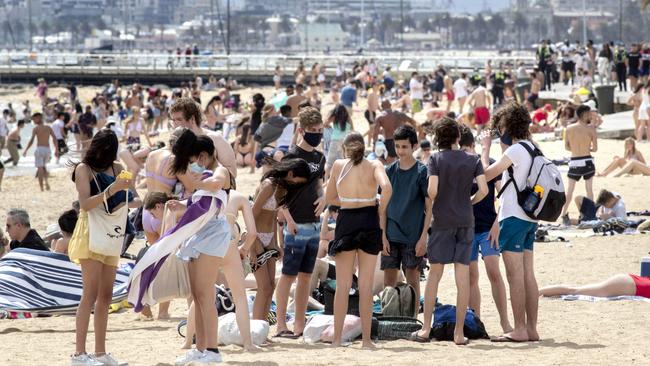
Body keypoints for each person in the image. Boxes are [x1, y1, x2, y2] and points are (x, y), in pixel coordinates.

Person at [412, 118, 487, 345]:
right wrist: (469, 202)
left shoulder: (435, 159)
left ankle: (425, 329)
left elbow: (432, 190)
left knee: (435, 274)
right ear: (457, 137)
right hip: (466, 219)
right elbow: (483, 189)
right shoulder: (473, 159)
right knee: (462, 276)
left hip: (442, 220)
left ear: (437, 138)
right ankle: (459, 333)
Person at [68, 129, 140, 366]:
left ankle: (100, 352)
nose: (110, 156)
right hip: (90, 232)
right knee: (89, 294)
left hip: (111, 233)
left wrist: (139, 194)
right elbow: (85, 204)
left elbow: (133, 198)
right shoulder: (83, 169)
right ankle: (79, 354)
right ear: (98, 148)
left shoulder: (117, 168)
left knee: (106, 296)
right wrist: (113, 189)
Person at [167, 129, 233, 365]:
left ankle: (213, 351)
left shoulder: (219, 170)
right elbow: (200, 200)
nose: (195, 163)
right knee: (197, 295)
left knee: (205, 295)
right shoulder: (202, 172)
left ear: (205, 155)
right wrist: (181, 205)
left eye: (197, 159)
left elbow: (215, 184)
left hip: (213, 235)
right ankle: (201, 347)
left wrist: (197, 180)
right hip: (199, 234)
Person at [481, 101, 542, 343]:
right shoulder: (534, 147)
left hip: (514, 217)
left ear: (509, 125)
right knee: (528, 273)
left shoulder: (515, 150)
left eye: (501, 126)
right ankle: (531, 328)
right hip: (530, 217)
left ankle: (518, 328)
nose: (500, 130)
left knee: (514, 275)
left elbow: (486, 175)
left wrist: (485, 148)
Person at [325, 131, 391, 348]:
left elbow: (330, 198)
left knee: (343, 285)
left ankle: (336, 340)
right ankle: (366, 341)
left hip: (347, 220)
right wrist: (380, 208)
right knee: (366, 285)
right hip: (369, 218)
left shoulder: (338, 165)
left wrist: (345, 202)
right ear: (364, 146)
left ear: (345, 149)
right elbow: (388, 188)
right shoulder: (374, 165)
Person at [274, 107, 325, 339]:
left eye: (319, 130)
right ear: (301, 130)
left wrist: (324, 198)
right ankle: (281, 323)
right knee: (287, 275)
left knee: (306, 277)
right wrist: (289, 221)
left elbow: (319, 183)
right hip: (296, 224)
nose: (317, 134)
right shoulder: (291, 156)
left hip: (315, 223)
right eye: (312, 130)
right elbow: (279, 194)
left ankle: (299, 323)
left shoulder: (319, 157)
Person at [458, 126, 512, 333]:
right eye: (460, 150)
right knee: (472, 277)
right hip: (467, 229)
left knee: (493, 272)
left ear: (473, 146)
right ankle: (476, 322)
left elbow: (505, 197)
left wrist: (497, 223)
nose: (464, 154)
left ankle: (505, 322)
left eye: (466, 149)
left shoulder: (487, 165)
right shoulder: (459, 169)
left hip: (488, 228)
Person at [250, 159, 311, 321]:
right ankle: (255, 329)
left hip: (269, 238)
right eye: (299, 181)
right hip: (255, 237)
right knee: (263, 287)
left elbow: (273, 218)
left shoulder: (283, 189)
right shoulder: (268, 186)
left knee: (270, 288)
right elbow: (252, 214)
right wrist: (252, 246)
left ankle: (261, 329)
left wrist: (276, 243)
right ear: (291, 174)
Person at [381, 125, 430, 305]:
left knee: (413, 282)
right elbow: (382, 208)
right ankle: (389, 320)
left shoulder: (422, 171)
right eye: (398, 146)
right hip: (391, 235)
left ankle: (414, 322)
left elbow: (429, 207)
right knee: (388, 283)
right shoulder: (388, 171)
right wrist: (383, 236)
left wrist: (423, 237)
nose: (400, 151)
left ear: (414, 146)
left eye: (405, 147)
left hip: (413, 236)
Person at [169, 97, 237, 179]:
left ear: (192, 119)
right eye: (173, 120)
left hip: (211, 188)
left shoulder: (215, 138)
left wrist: (206, 179)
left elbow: (232, 173)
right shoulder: (176, 140)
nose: (175, 124)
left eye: (179, 120)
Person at [560, 105, 598, 226]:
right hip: (587, 160)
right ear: (585, 114)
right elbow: (595, 148)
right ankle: (591, 215)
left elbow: (566, 147)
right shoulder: (591, 128)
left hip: (575, 161)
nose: (591, 116)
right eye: (589, 114)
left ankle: (563, 214)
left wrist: (576, 149)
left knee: (569, 191)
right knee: (589, 189)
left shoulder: (569, 128)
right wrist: (587, 148)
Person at [22, 112, 59, 191]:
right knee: (43, 166)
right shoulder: (48, 127)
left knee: (40, 168)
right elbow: (54, 139)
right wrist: (56, 150)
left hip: (40, 149)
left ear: (39, 118)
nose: (33, 120)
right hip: (48, 150)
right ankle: (47, 183)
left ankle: (41, 187)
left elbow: (31, 141)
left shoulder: (36, 128)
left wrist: (25, 150)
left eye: (34, 119)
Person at [540, 273, 650, 299]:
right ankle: (536, 292)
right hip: (626, 285)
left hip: (630, 280)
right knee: (573, 291)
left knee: (574, 290)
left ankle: (536, 292)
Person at [374, 100, 417, 164]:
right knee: (404, 163)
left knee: (390, 165)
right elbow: (413, 122)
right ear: (390, 105)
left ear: (382, 107)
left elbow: (375, 134)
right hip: (402, 140)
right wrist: (412, 134)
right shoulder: (399, 114)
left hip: (389, 141)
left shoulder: (380, 117)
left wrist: (374, 144)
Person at [325, 105, 353, 174]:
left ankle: (325, 180)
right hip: (344, 142)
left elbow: (325, 123)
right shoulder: (348, 118)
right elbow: (352, 129)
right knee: (343, 161)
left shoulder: (335, 117)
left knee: (329, 163)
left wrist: (330, 127)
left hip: (335, 140)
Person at [365, 82, 380, 147]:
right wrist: (371, 115)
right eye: (376, 85)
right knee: (372, 128)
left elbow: (377, 104)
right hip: (369, 112)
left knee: (371, 129)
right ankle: (364, 139)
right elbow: (369, 104)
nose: (377, 86)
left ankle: (368, 143)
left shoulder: (376, 94)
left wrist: (381, 109)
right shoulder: (371, 93)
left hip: (373, 112)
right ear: (373, 86)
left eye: (377, 85)